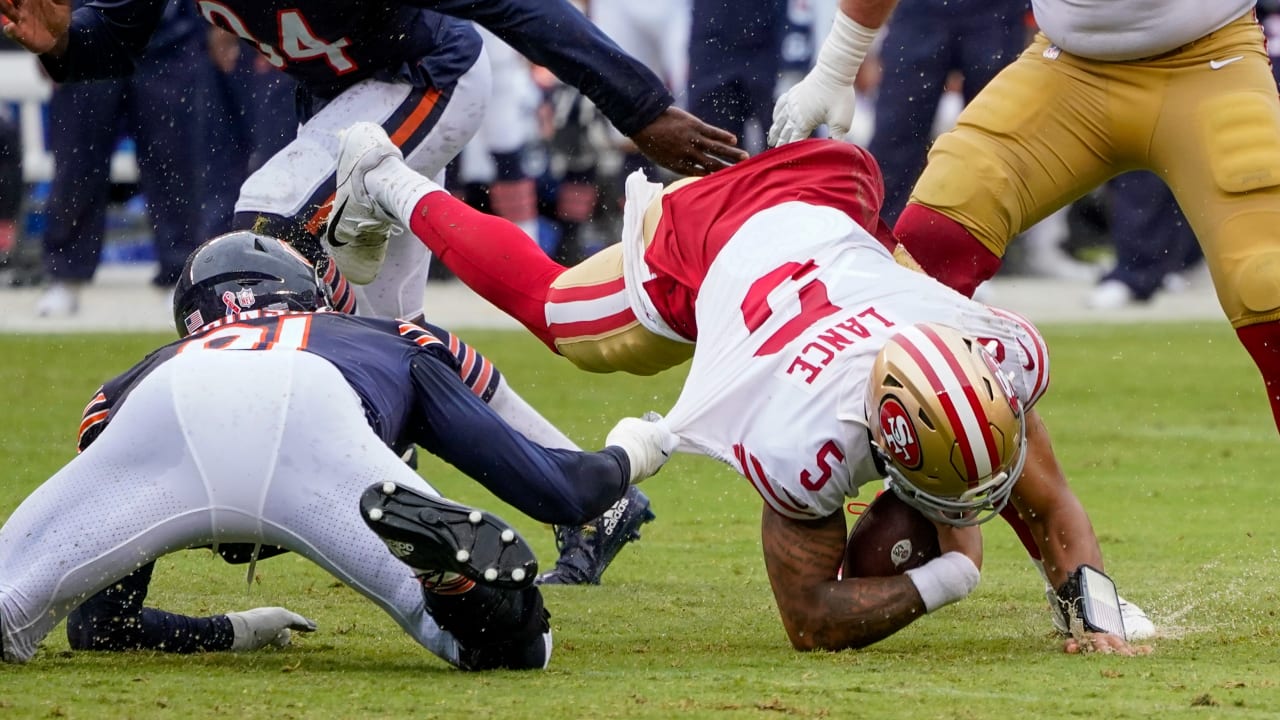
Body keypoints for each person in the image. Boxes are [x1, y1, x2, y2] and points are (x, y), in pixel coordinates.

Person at [323, 123, 1155, 654]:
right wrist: (947, 578)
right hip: (712, 245)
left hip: (827, 202)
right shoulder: (800, 438)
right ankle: (386, 177)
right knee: (563, 318)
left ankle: (791, 128)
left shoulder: (989, 353)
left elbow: (1039, 492)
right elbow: (809, 620)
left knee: (976, 451)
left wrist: (1093, 609)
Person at [0, 231, 677, 666]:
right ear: (305, 292)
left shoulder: (134, 377)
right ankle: (451, 579)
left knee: (9, 613)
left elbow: (102, 627)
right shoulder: (384, 337)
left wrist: (235, 630)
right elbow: (562, 492)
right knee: (512, 650)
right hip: (315, 417)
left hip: (163, 408)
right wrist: (636, 448)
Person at [0, 0, 748, 324]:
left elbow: (516, 11)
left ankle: (249, 445)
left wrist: (641, 109)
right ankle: (592, 496)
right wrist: (62, 39)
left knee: (261, 228)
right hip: (352, 101)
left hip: (429, 80)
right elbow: (113, 43)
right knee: (396, 333)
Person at [770, 0, 1280, 436]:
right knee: (926, 253)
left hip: (1212, 62)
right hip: (1068, 70)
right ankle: (917, 519)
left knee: (1268, 282)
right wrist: (837, 63)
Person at [33, 0, 205, 317]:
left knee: (174, 163)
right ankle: (65, 276)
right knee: (76, 162)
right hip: (86, 25)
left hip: (169, 36)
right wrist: (49, 35)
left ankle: (179, 274)